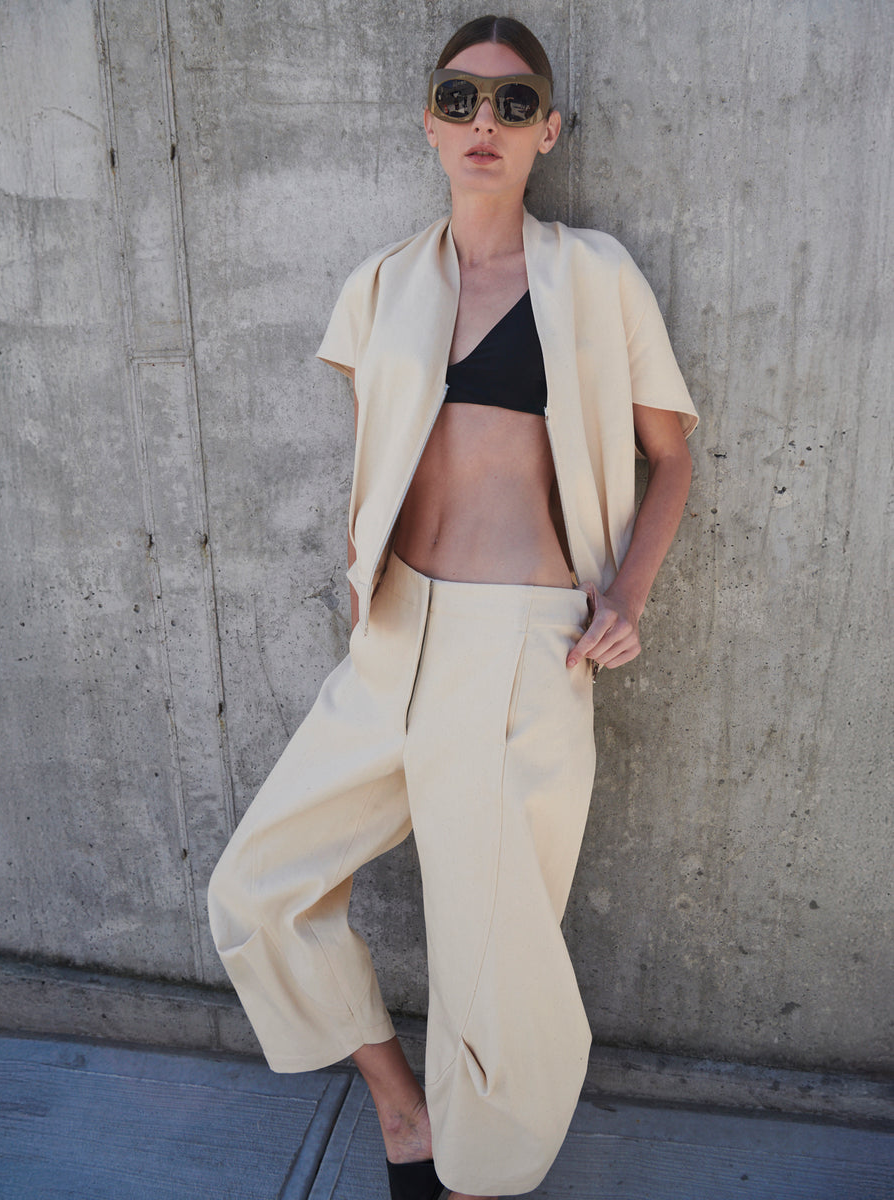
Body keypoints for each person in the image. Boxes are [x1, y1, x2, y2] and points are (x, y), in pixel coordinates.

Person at [208, 15, 698, 1200]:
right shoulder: (381, 283)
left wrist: (627, 594)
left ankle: (478, 1178)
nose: (486, 123)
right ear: (430, 121)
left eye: (513, 102)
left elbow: (671, 456)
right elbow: (384, 439)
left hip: (518, 649)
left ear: (548, 131)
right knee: (257, 891)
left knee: (497, 967)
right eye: (461, 100)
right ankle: (402, 1111)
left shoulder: (596, 276)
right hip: (388, 640)